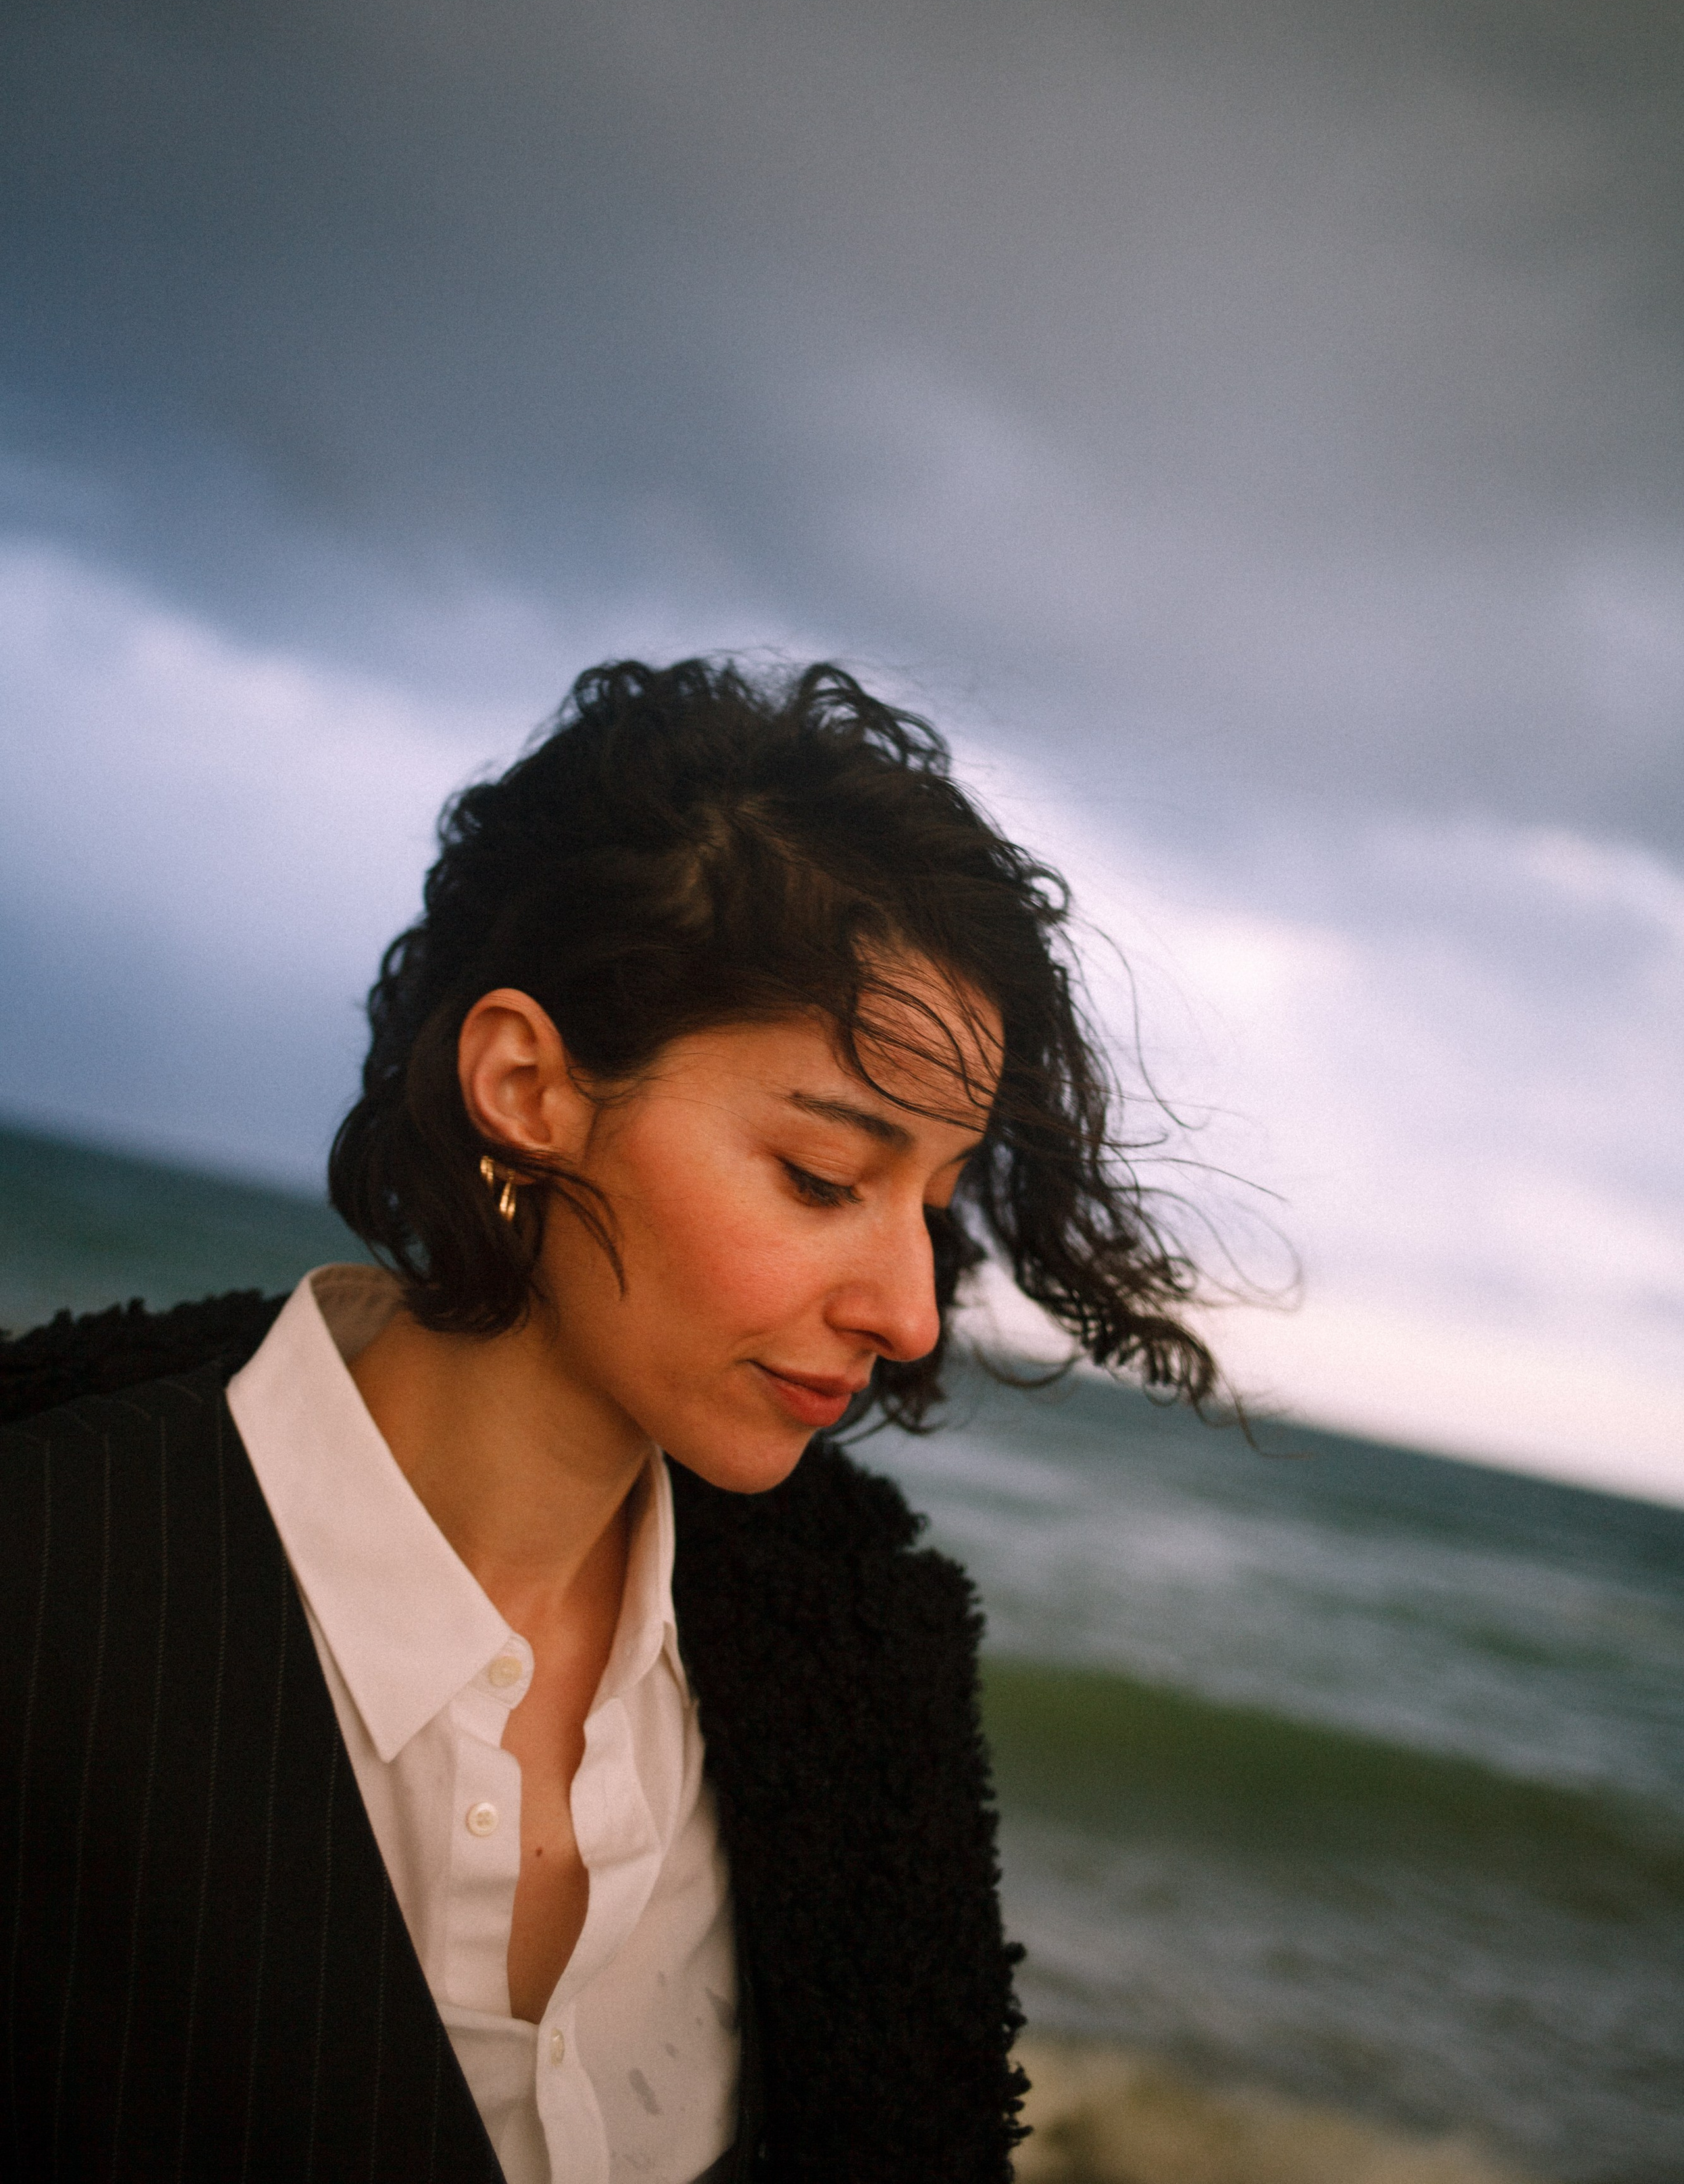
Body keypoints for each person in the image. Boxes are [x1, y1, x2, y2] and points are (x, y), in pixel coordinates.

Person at [1, 658, 1213, 2183]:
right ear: (525, 1085)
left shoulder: (853, 1671)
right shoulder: (42, 1580)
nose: (912, 1314)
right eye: (824, 1178)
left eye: (932, 1201)